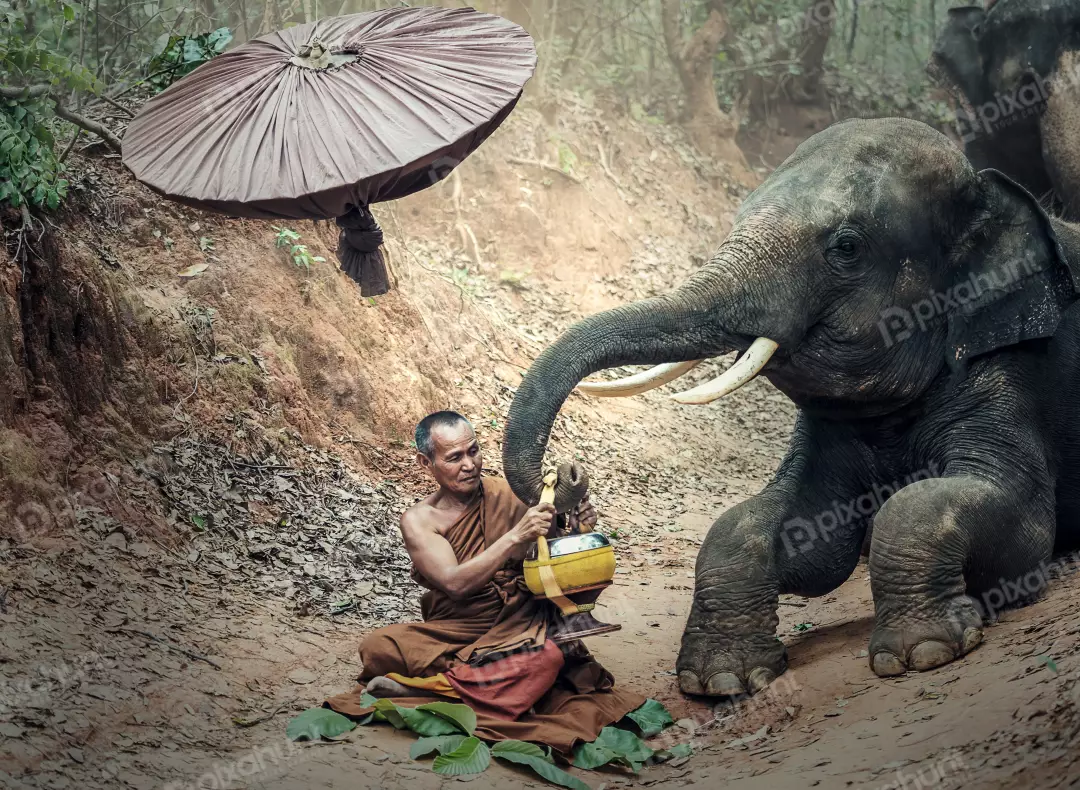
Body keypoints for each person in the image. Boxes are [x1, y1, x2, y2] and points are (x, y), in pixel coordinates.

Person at [325, 411, 643, 749]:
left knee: (548, 657)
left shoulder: (511, 493)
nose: (469, 464)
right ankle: (485, 686)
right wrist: (512, 538)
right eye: (454, 457)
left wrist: (579, 531)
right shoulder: (420, 520)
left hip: (522, 621)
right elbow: (454, 584)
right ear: (425, 462)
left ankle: (432, 689)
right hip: (460, 626)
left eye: (473, 451)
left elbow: (553, 563)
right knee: (378, 647)